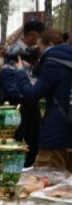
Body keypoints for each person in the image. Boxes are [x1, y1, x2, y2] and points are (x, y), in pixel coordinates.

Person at [13, 29, 72, 170]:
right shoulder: (65, 59)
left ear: (49, 44)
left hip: (56, 133)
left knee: (46, 182)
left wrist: (21, 72)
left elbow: (31, 94)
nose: (38, 52)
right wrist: (37, 64)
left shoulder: (52, 63)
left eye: (39, 48)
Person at [0, 20, 45, 166]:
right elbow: (8, 79)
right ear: (31, 35)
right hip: (18, 102)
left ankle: (28, 165)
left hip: (31, 98)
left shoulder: (34, 51)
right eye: (38, 37)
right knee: (16, 137)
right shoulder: (14, 51)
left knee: (34, 137)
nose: (39, 41)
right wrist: (21, 95)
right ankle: (14, 167)